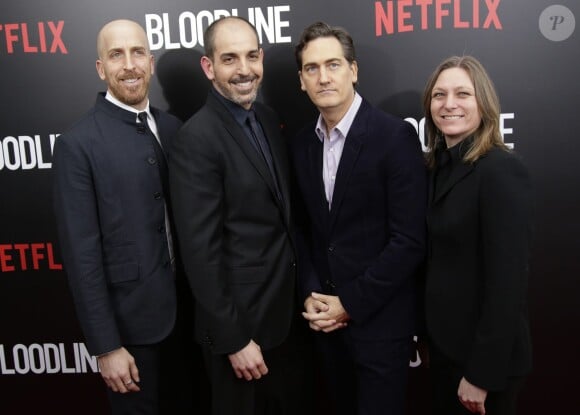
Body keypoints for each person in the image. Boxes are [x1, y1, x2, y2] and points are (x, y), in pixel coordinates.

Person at [53, 19, 207, 414]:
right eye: (116, 55)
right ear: (101, 68)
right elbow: (81, 256)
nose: (129, 64)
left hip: (193, 325)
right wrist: (106, 346)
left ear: (151, 62)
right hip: (131, 335)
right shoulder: (77, 144)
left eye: (137, 52)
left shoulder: (175, 129)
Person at [168, 16, 313, 415]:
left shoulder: (266, 119)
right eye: (229, 59)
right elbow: (201, 253)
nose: (244, 69)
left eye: (252, 56)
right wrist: (233, 339)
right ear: (208, 67)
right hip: (241, 335)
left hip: (285, 323)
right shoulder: (195, 139)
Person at [291, 21, 427, 415]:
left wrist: (348, 303)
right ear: (301, 80)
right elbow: (304, 230)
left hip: (380, 327)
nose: (323, 76)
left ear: (353, 70)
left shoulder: (393, 137)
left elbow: (409, 241)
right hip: (325, 328)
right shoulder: (302, 143)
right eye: (312, 68)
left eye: (333, 65)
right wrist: (312, 295)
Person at [422, 55, 533, 415]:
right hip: (445, 353)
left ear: (483, 103)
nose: (449, 104)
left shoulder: (501, 170)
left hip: (483, 366)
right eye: (439, 95)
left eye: (462, 94)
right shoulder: (438, 167)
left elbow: (508, 284)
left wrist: (481, 375)